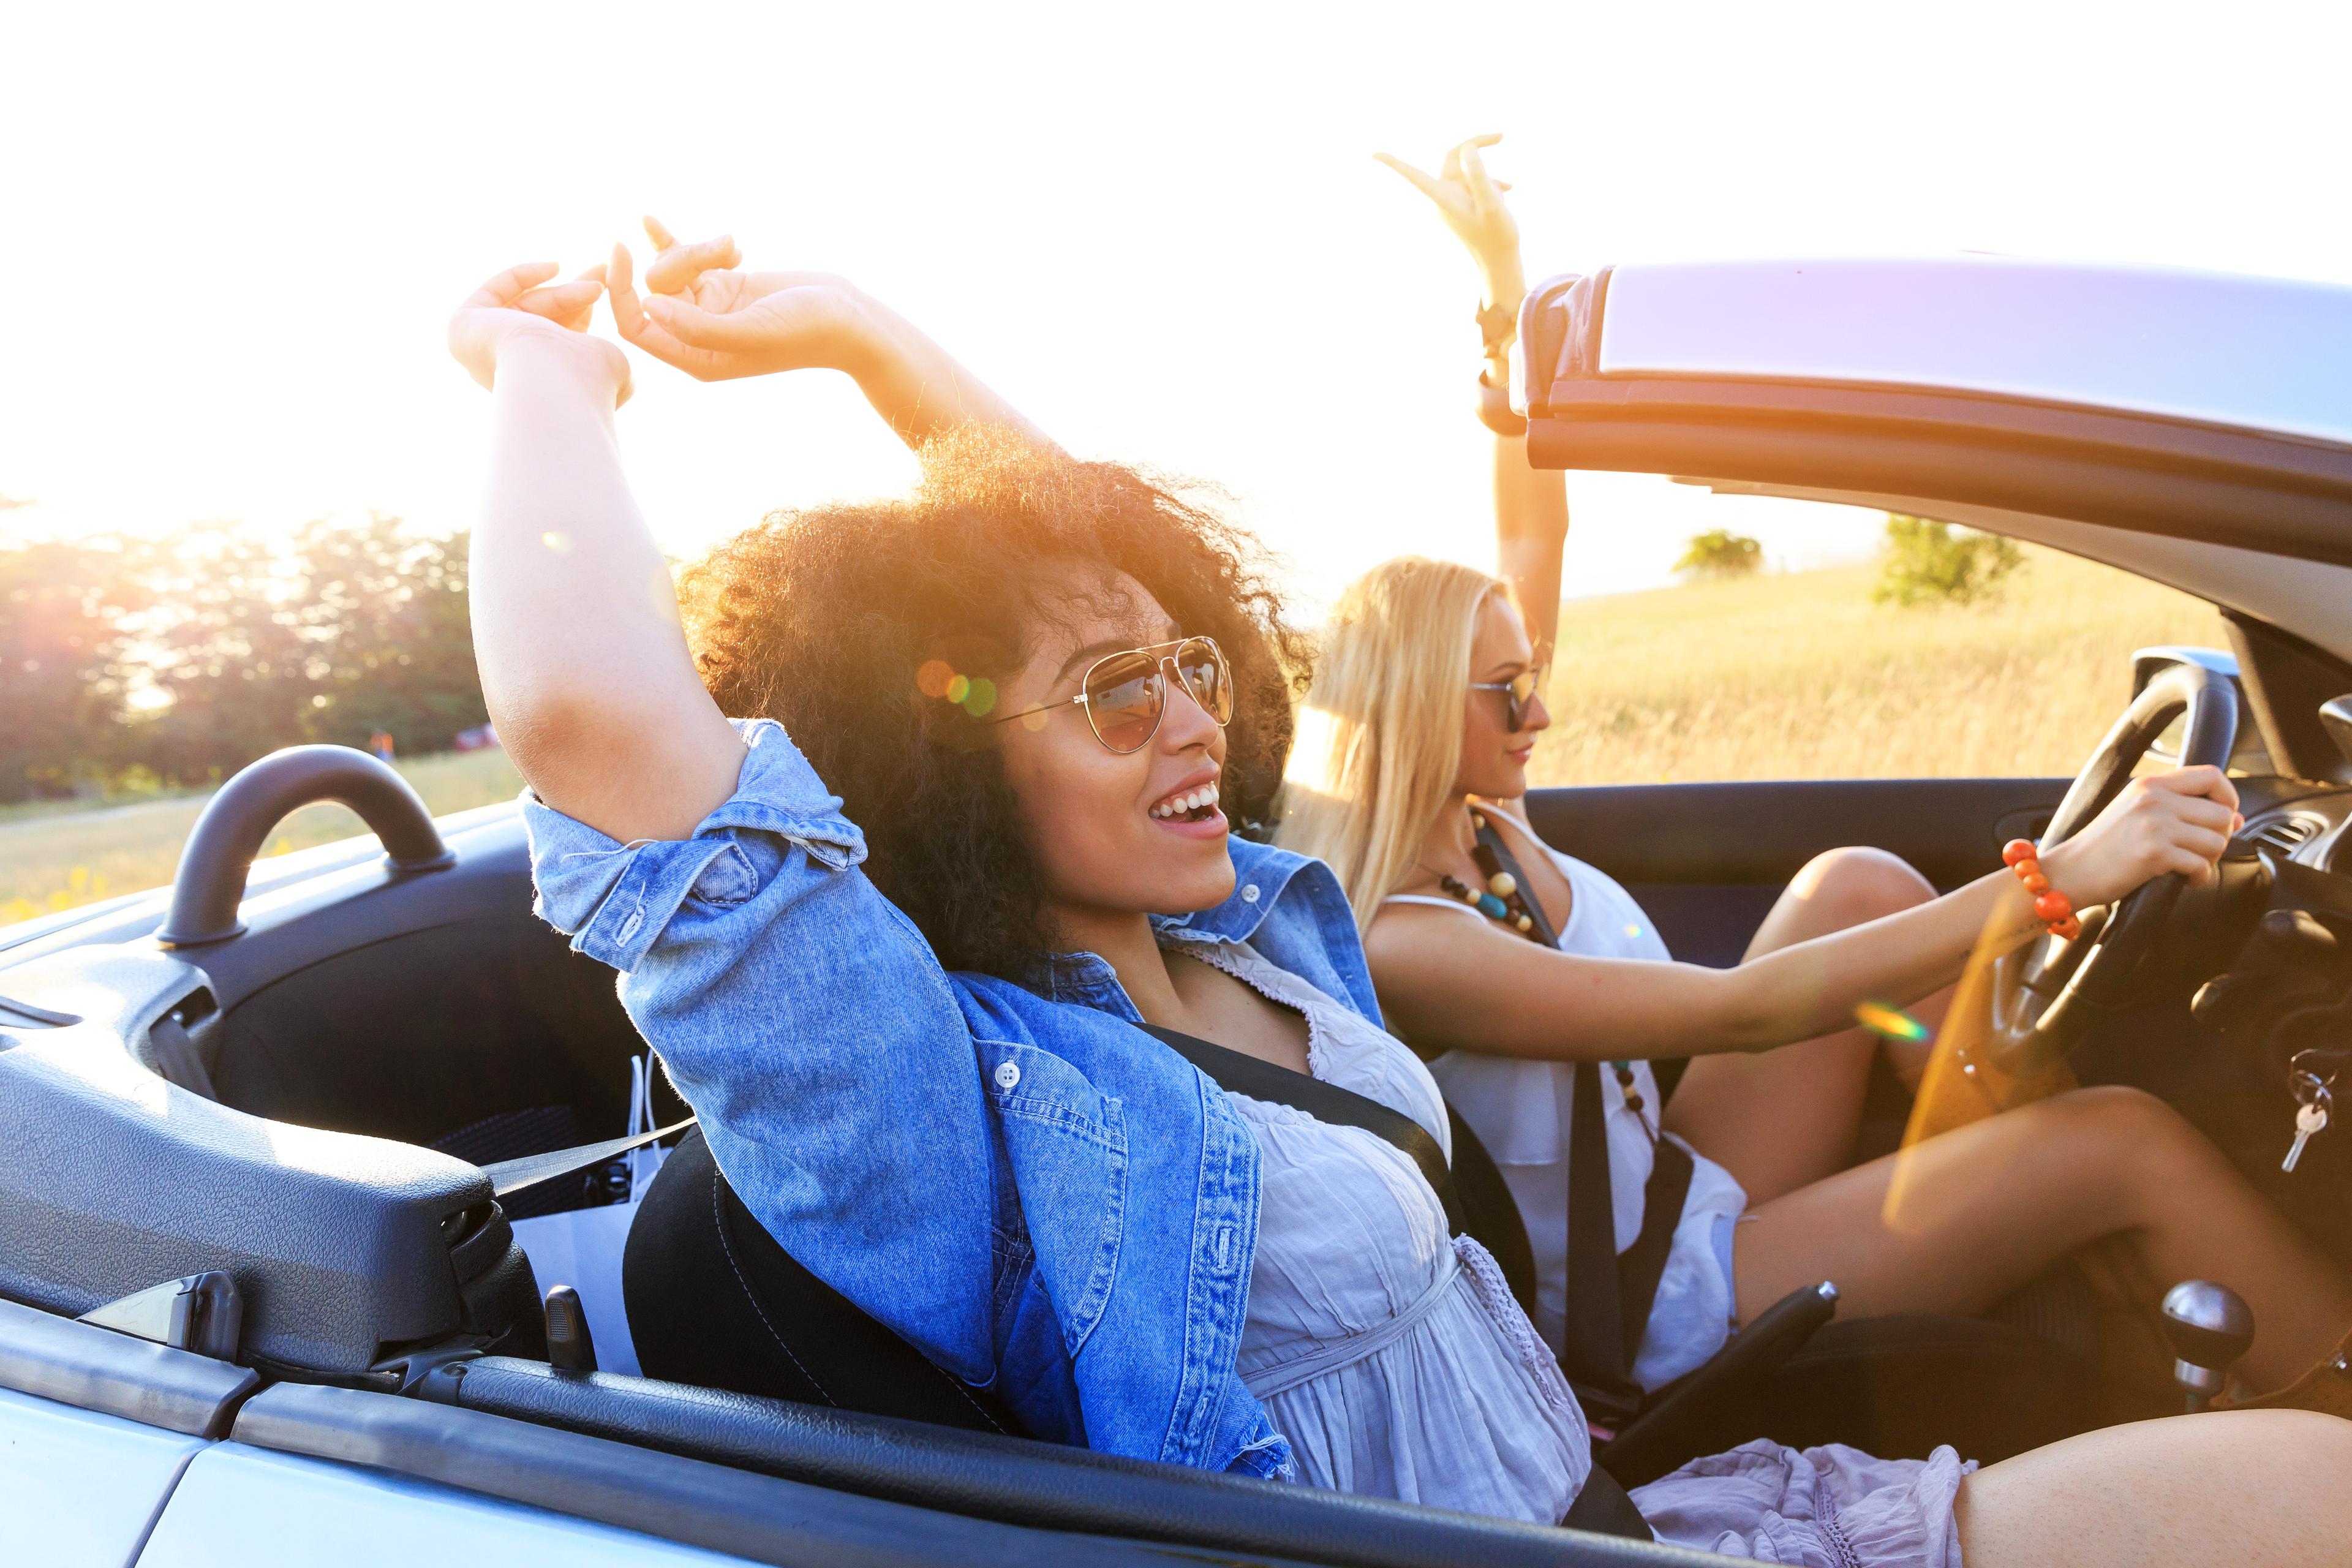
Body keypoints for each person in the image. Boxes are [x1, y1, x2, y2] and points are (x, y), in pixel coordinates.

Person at [446, 213, 2352, 1565]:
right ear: (935, 753)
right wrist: (545, 368)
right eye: (1115, 698)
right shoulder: (927, 1097)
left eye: (1193, 669)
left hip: (1631, 1521)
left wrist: (865, 334)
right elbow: (592, 715)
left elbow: (1094, 561)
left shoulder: (1236, 923)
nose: (1192, 713)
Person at [1278, 137, 2352, 1409]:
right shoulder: (1408, 938)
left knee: (1862, 883)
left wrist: (1507, 299)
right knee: (2122, 1139)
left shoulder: (1481, 814)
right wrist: (2062, 876)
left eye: (1531, 668)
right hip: (1652, 1305)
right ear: (1411, 718)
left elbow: (1531, 528)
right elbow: (1743, 1014)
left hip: (1661, 1176)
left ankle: (2025, 1221)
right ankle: (2281, 1363)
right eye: (1508, 689)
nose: (1542, 702)